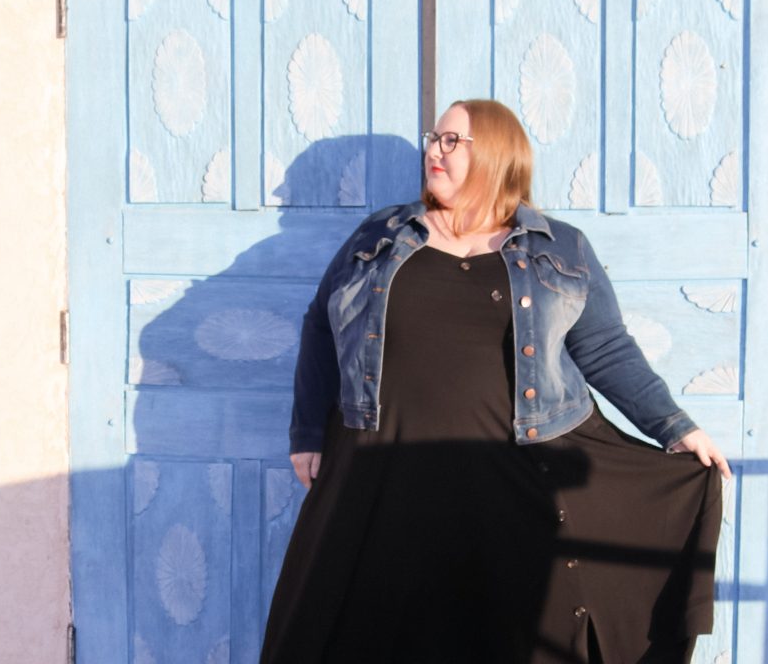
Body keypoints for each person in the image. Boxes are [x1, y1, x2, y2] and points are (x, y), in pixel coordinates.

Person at [260, 99, 730, 664]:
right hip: (381, 476)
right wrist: (308, 430)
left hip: (509, 479)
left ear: (499, 156)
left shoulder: (559, 247)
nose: (435, 149)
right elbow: (322, 321)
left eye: (453, 141)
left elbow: (606, 349)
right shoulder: (381, 236)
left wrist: (676, 428)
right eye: (436, 137)